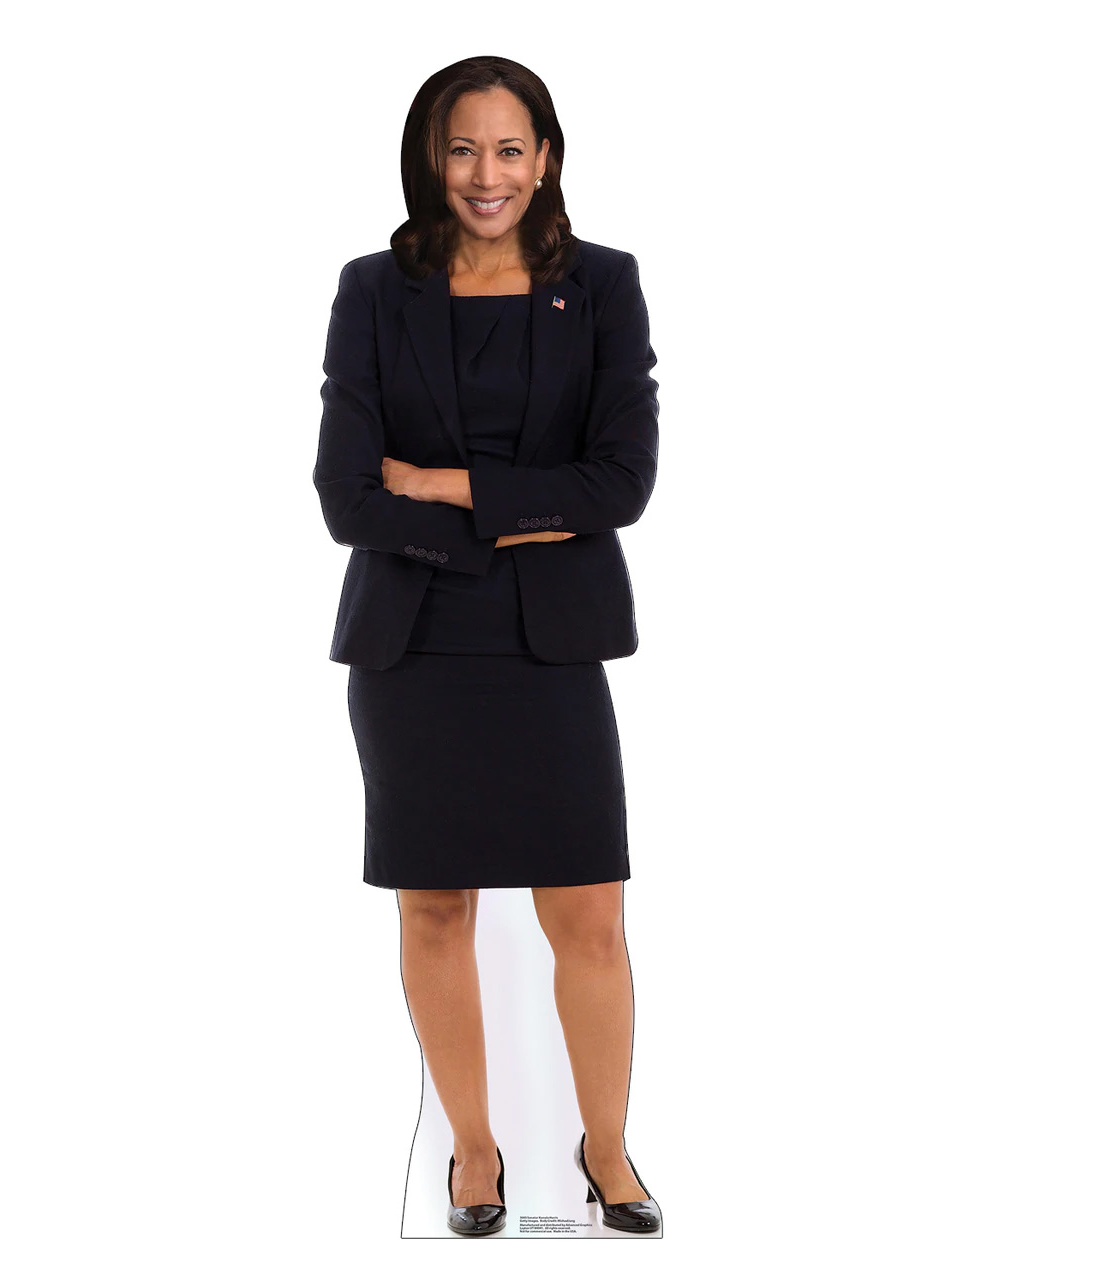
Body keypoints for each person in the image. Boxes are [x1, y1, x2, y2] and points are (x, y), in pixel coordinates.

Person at [313, 55, 662, 1237]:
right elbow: (347, 499)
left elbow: (619, 484)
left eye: (509, 148)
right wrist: (519, 509)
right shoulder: (374, 290)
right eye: (461, 148)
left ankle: (605, 1147)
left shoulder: (601, 285)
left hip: (551, 640)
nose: (485, 173)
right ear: (430, 155)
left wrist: (440, 484)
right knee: (432, 907)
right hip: (412, 643)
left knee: (590, 911)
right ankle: (472, 1146)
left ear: (545, 158)